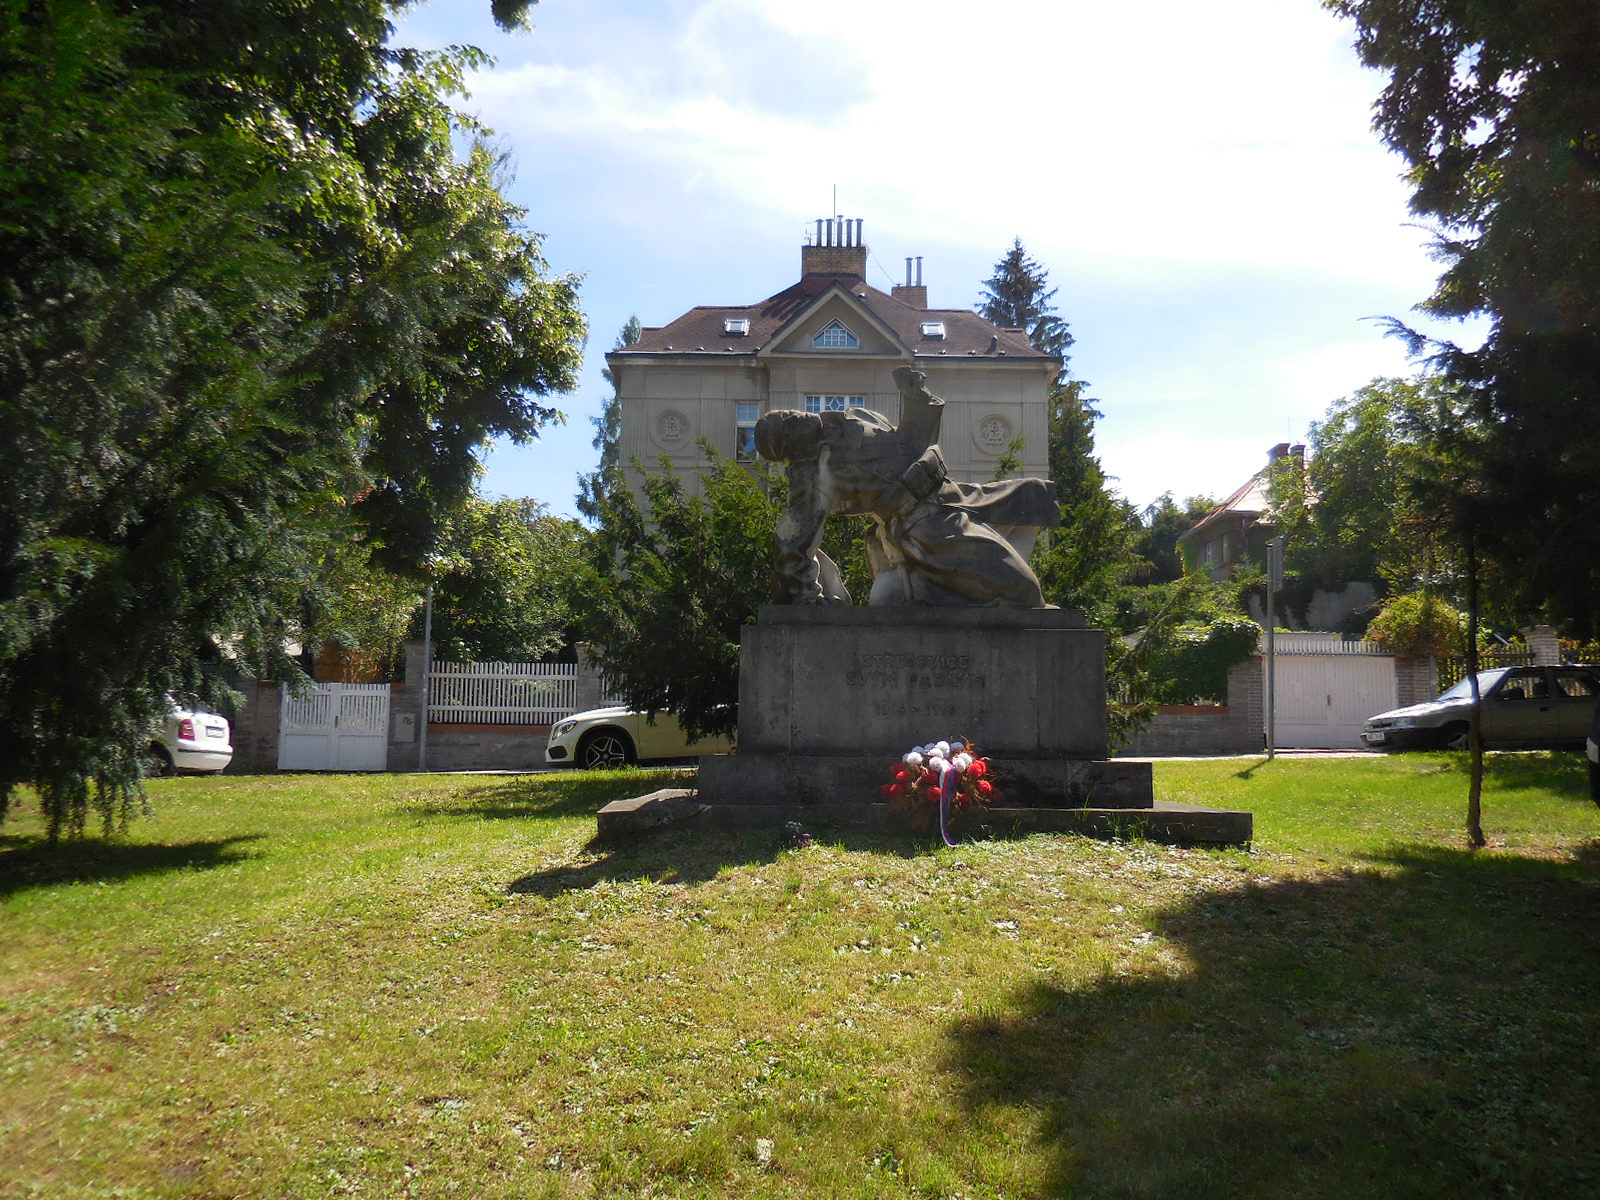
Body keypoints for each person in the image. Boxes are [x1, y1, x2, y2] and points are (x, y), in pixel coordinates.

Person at [755, 367, 1058, 607]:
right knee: (1023, 591)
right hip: (923, 525)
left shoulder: (855, 416)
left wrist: (915, 397)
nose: (793, 417)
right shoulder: (811, 475)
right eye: (786, 429)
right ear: (791, 450)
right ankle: (929, 594)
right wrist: (806, 596)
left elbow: (912, 444)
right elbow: (792, 542)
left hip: (950, 493)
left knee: (1034, 496)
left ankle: (941, 596)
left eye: (785, 415)